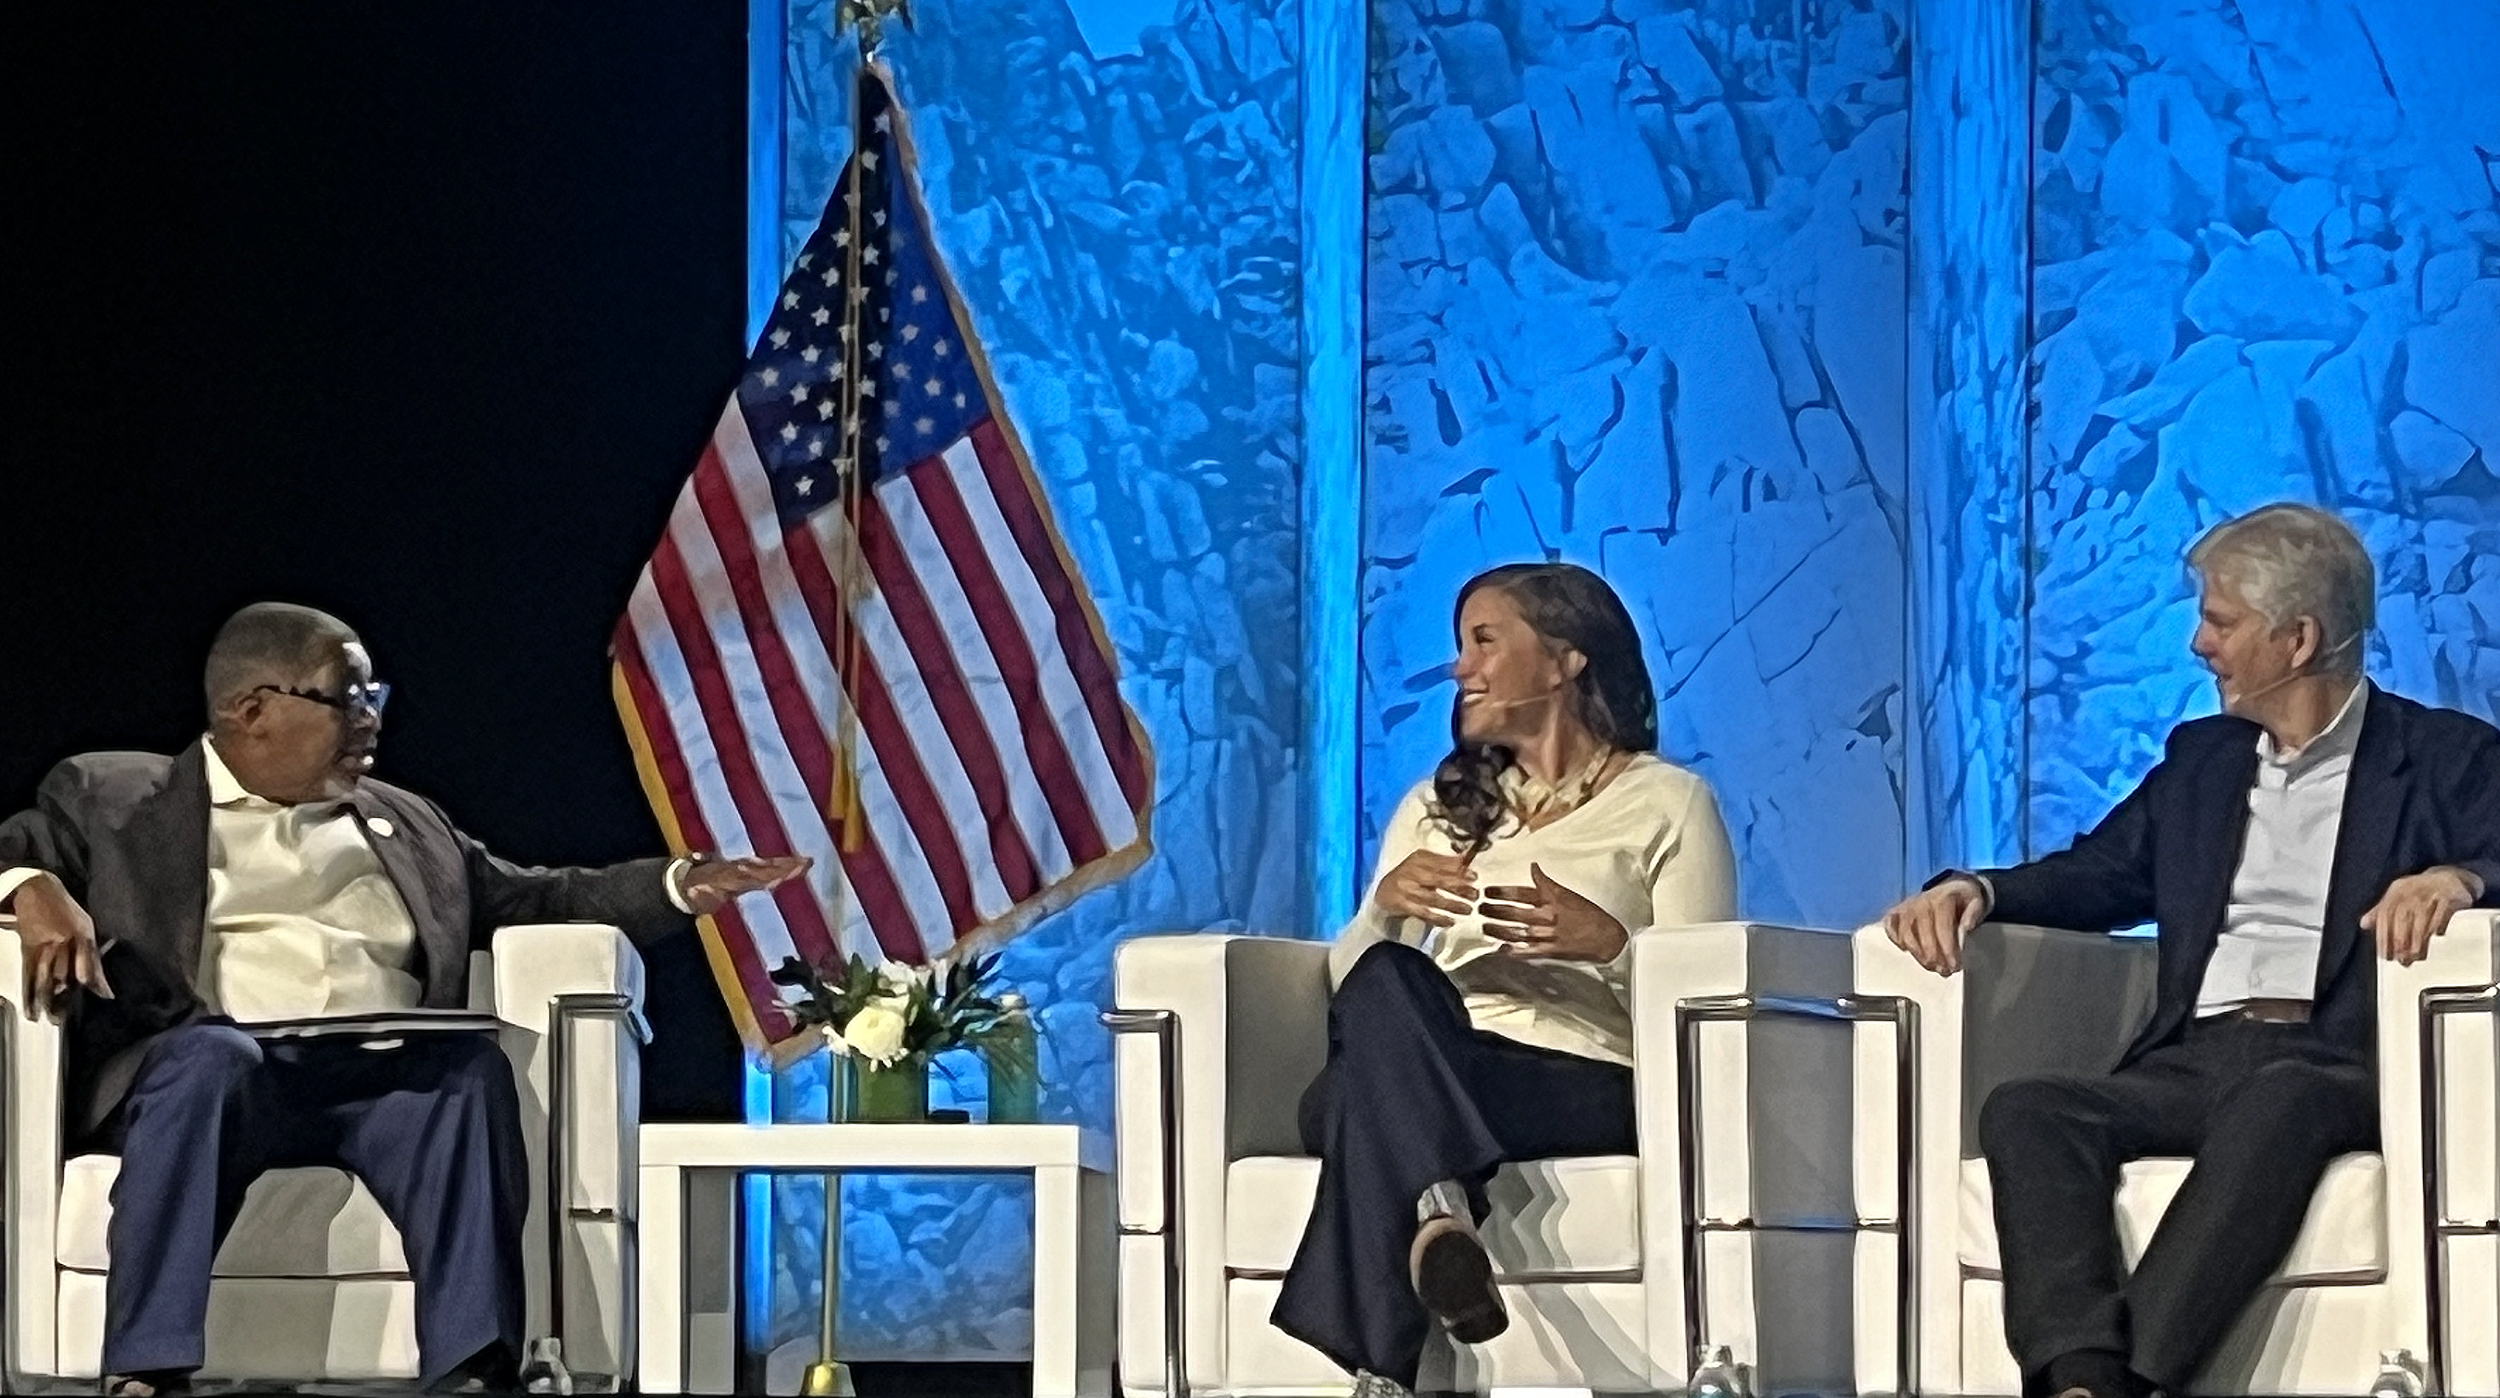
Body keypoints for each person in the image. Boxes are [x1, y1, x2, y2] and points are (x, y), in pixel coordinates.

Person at [0, 602, 809, 1398]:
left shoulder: (407, 822)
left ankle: (474, 1370)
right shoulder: (111, 795)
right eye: (347, 697)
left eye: (373, 695)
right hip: (224, 1069)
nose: (371, 719)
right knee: (210, 1059)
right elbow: (15, 846)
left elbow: (539, 896)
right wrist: (30, 885)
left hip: (378, 1073)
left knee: (465, 1075)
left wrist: (679, 884)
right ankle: (144, 1371)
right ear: (251, 711)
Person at [1878, 504, 2500, 1398]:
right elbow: (2101, 873)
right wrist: (1982, 890)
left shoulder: (2445, 757)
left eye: (2219, 622)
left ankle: (2133, 1382)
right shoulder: (2202, 759)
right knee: (2030, 1108)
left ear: (2297, 639)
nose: (2199, 645)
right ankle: (2081, 1375)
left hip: (2335, 1060)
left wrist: (2462, 878)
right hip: (2194, 1055)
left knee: (2281, 1099)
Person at [1269, 562, 1739, 1398]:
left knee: (1347, 1103)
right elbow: (1350, 994)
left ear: (1566, 660)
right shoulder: (1434, 809)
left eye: (1484, 640)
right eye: (1462, 646)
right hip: (1435, 1056)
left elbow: (1707, 1004)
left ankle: (1392, 1349)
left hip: (1579, 1077)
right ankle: (1438, 1214)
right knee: (1388, 976)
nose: (1462, 668)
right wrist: (1385, 910)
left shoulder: (1669, 804)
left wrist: (1612, 946)